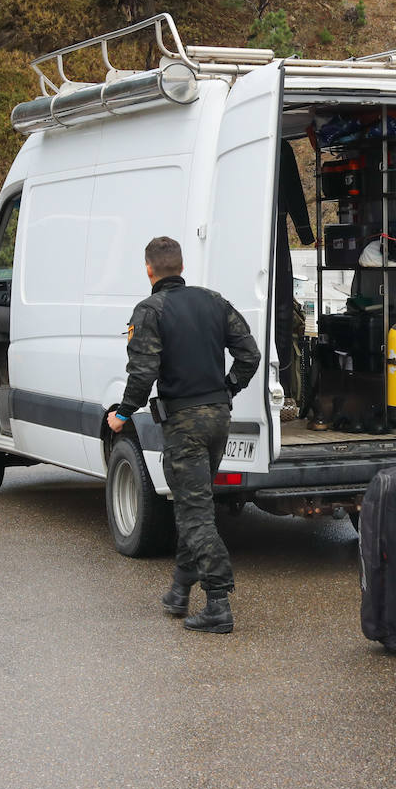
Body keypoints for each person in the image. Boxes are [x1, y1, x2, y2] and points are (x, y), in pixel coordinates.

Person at [107, 236, 260, 634]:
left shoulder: (150, 310)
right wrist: (228, 388)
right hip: (218, 418)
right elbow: (250, 354)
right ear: (181, 265)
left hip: (184, 424)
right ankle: (179, 589)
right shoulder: (213, 301)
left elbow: (142, 373)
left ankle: (218, 603)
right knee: (191, 502)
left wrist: (122, 414)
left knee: (195, 513)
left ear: (149, 269)